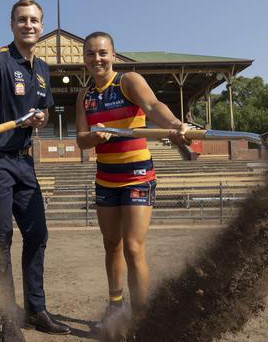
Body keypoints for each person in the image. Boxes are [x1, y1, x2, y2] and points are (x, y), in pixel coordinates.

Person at [0, 0, 71, 340]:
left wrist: (40, 118)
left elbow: (45, 111)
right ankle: (8, 319)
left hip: (24, 161)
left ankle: (36, 310)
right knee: (2, 238)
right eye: (22, 20)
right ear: (12, 25)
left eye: (34, 20)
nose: (29, 25)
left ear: (41, 25)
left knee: (37, 234)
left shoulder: (43, 69)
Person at [75, 31, 189, 328]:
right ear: (84, 59)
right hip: (105, 178)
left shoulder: (128, 81)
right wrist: (94, 136)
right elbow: (81, 140)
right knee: (111, 243)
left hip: (137, 174)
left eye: (102, 52)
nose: (97, 58)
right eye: (90, 53)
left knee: (133, 247)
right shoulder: (85, 96)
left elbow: (153, 108)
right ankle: (116, 307)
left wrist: (175, 125)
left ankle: (140, 316)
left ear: (113, 55)